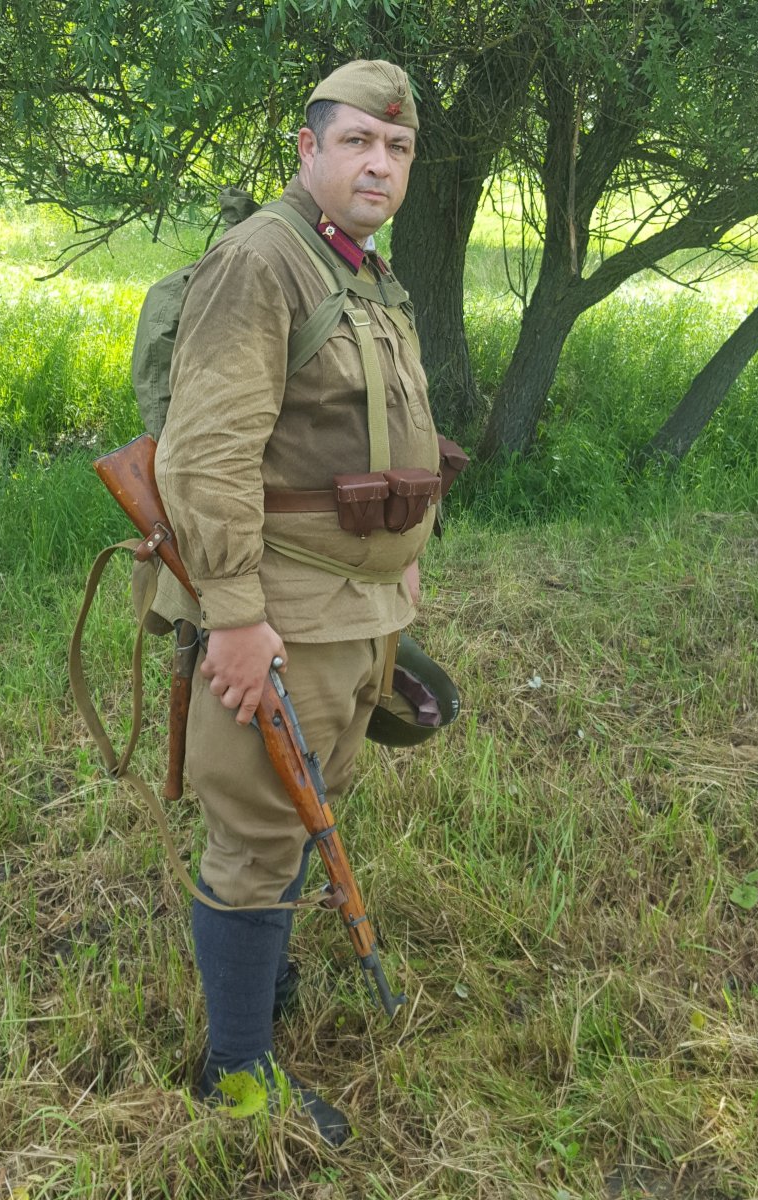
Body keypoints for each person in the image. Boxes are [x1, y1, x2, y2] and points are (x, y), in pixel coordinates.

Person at [152, 59, 439, 1146]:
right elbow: (206, 453)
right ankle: (236, 1077)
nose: (379, 163)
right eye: (357, 141)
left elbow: (359, 437)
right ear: (309, 150)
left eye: (397, 148)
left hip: (353, 602)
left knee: (307, 805)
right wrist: (231, 615)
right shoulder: (262, 261)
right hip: (280, 608)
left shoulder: (356, 266)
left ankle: (261, 991)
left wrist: (402, 564)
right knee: (262, 830)